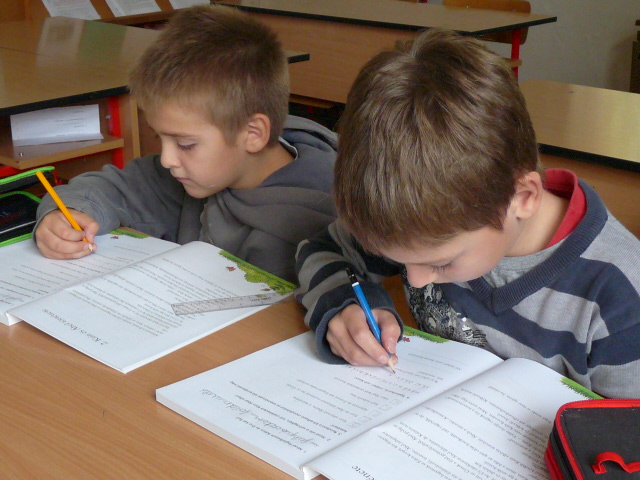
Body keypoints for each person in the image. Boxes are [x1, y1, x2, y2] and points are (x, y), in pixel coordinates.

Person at [296, 29, 640, 398]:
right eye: (401, 262)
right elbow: (321, 249)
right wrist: (344, 305)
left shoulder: (620, 298)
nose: (416, 280)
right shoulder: (424, 227)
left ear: (522, 198)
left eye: (441, 264)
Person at [34, 5, 337, 284]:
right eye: (160, 138)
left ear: (253, 134)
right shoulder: (200, 174)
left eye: (185, 144)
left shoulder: (321, 224)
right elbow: (110, 187)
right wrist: (64, 216)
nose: (167, 159)